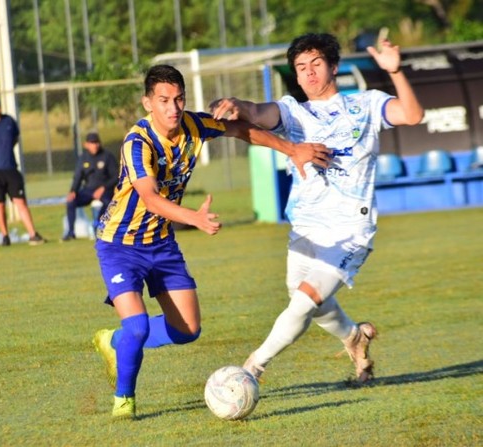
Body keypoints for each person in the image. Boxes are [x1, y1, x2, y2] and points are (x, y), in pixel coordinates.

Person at [91, 64, 331, 419]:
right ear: (147, 103)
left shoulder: (193, 124)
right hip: (119, 245)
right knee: (138, 326)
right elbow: (151, 199)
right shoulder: (136, 143)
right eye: (163, 100)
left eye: (178, 99)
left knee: (187, 330)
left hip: (161, 243)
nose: (173, 108)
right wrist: (195, 219)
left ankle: (113, 342)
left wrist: (292, 149)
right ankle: (124, 400)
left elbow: (242, 130)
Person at [210, 33, 424, 385]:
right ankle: (355, 337)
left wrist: (396, 72)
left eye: (316, 64)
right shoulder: (294, 112)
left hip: (349, 231)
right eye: (300, 67)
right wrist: (235, 103)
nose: (308, 73)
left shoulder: (367, 104)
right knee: (307, 298)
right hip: (305, 227)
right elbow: (256, 112)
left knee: (305, 301)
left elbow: (412, 115)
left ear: (334, 67)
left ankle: (251, 368)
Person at [0, 95, 45, 246]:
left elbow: (14, 139)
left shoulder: (9, 121)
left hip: (10, 168)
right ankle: (5, 236)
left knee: (20, 201)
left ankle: (33, 234)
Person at [62, 132, 119, 241]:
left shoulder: (107, 156)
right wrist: (73, 190)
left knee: (109, 203)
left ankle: (99, 227)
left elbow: (116, 176)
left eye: (96, 142)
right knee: (71, 202)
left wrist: (103, 188)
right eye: (92, 143)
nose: (95, 145)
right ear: (86, 145)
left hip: (105, 190)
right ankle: (70, 232)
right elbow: (78, 176)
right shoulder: (83, 158)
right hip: (88, 190)